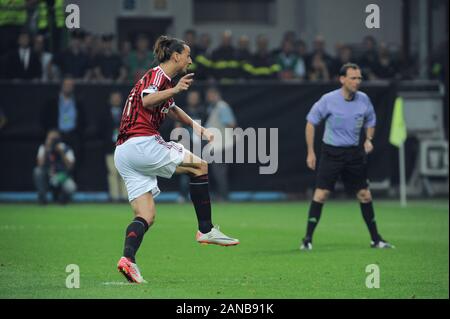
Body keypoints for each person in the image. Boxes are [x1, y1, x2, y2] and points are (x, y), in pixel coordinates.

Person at [114, 35, 239, 284]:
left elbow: (171, 108)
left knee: (146, 215)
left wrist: (196, 126)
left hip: (124, 152)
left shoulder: (162, 82)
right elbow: (147, 100)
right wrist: (176, 89)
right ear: (176, 56)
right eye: (188, 55)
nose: (190, 60)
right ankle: (206, 229)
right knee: (200, 165)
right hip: (141, 143)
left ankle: (128, 260)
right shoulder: (158, 76)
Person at [300, 63, 394, 250]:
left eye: (359, 78)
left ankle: (376, 239)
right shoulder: (328, 100)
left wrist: (368, 139)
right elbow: (311, 123)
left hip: (354, 154)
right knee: (321, 194)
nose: (357, 82)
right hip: (331, 153)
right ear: (342, 79)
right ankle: (307, 240)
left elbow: (371, 120)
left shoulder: (364, 100)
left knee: (365, 195)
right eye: (353, 78)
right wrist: (311, 152)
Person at [205, 87, 237, 201]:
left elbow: (231, 124)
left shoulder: (222, 107)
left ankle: (223, 196)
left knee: (219, 171)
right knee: (217, 171)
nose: (208, 98)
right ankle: (221, 195)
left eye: (210, 95)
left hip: (222, 144)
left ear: (216, 94)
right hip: (217, 144)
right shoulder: (213, 108)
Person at [33, 129, 77, 204]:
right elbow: (40, 164)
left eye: (54, 139)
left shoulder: (65, 148)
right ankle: (42, 199)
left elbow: (70, 166)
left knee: (71, 187)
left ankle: (62, 200)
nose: (52, 141)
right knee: (37, 171)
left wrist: (61, 152)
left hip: (61, 176)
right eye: (50, 138)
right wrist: (46, 150)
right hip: (48, 175)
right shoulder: (43, 147)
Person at [104, 91, 127, 202]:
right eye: (114, 98)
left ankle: (125, 196)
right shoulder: (105, 113)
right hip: (110, 147)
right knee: (113, 172)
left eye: (118, 98)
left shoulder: (127, 112)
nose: (116, 100)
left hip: (124, 147)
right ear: (110, 100)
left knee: (124, 171)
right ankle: (114, 196)